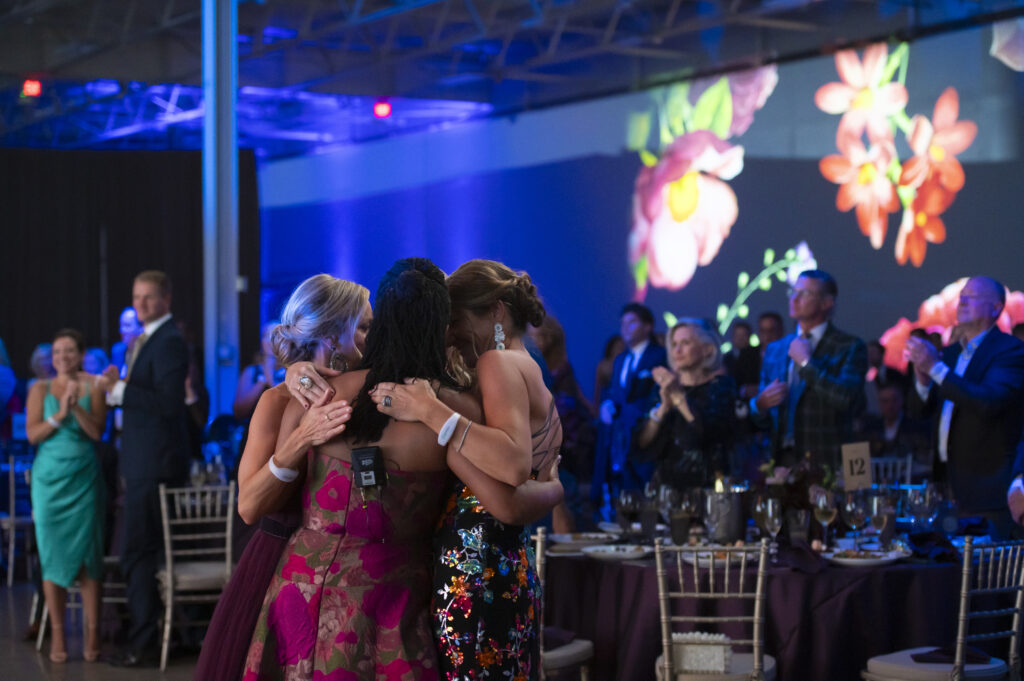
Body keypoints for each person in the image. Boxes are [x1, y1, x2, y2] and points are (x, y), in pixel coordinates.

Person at [244, 258, 562, 680]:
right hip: (393, 604)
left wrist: (296, 375)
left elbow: (264, 506)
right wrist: (555, 487)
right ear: (437, 327)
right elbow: (507, 500)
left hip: (301, 589)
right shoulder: (448, 408)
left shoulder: (315, 396)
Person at [369, 258, 563, 681]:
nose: (451, 332)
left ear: (496, 311)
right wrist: (554, 490)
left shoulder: (497, 363)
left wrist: (430, 411)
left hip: (475, 572)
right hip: (510, 566)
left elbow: (512, 468)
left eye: (456, 319)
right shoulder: (531, 370)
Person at [195, 274, 370, 681]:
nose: (371, 338)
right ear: (332, 335)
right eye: (363, 327)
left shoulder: (369, 396)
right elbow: (248, 506)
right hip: (277, 561)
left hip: (349, 572)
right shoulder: (276, 401)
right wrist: (300, 439)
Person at [98, 270, 190, 667]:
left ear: (166, 299)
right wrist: (119, 389)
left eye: (149, 297)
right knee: (140, 552)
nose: (141, 304)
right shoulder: (147, 340)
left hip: (154, 464)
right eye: (136, 297)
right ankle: (150, 637)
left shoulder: (168, 340)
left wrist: (121, 391)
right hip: (142, 461)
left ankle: (144, 644)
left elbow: (169, 404)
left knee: (138, 553)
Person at [906, 276, 1024, 538]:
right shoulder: (950, 354)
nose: (962, 302)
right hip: (945, 487)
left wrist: (935, 368)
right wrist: (923, 380)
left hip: (986, 490)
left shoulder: (1010, 351)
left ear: (996, 308)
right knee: (945, 562)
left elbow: (988, 401)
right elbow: (918, 413)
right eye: (962, 296)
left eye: (972, 297)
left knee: (984, 562)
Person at [25, 328, 107, 663]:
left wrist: (75, 408)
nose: (62, 357)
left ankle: (92, 633)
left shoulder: (94, 386)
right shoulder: (39, 388)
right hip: (49, 483)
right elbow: (33, 434)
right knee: (52, 557)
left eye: (69, 351)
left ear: (81, 354)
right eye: (57, 352)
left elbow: (97, 432)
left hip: (83, 479)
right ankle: (58, 634)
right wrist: (59, 413)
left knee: (89, 558)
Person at [751, 270, 867, 470]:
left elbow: (846, 399)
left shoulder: (849, 346)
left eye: (804, 293)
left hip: (827, 461)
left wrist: (806, 364)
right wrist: (759, 405)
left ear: (826, 303)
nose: (794, 299)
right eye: (793, 292)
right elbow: (763, 417)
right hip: (782, 461)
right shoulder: (776, 349)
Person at [634, 319, 737, 489]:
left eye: (685, 343)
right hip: (667, 486)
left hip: (710, 486)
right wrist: (662, 409)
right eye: (674, 344)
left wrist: (679, 397)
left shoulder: (722, 386)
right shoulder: (660, 389)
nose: (677, 350)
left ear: (707, 349)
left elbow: (710, 435)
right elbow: (642, 443)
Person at [594, 303, 667, 501]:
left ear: (648, 326)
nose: (625, 328)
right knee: (624, 493)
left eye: (632, 322)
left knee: (647, 493)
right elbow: (616, 394)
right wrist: (607, 405)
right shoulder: (620, 359)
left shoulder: (660, 355)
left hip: (647, 435)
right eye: (623, 323)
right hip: (621, 438)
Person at [232, 321, 287, 422]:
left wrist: (270, 363)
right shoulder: (251, 372)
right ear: (262, 342)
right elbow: (239, 412)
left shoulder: (291, 371)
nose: (270, 340)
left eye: (275, 336)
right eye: (267, 336)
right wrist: (261, 381)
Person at [110, 306, 144, 375]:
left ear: (141, 328)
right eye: (121, 325)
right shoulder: (117, 351)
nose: (122, 330)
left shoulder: (146, 351)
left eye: (127, 325)